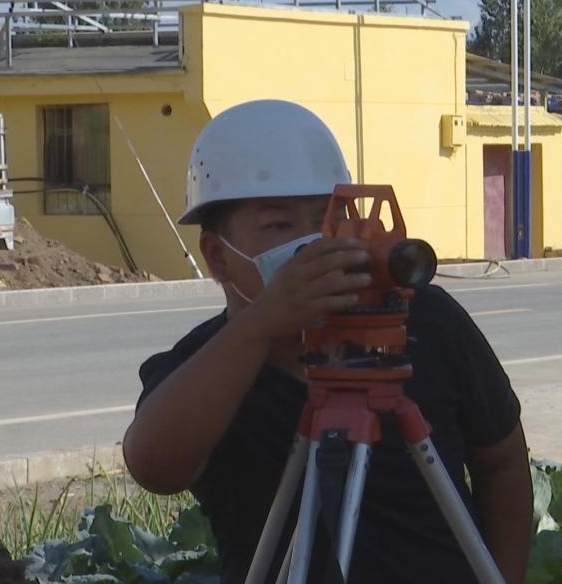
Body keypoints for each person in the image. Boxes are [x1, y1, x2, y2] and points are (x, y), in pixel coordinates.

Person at [122, 100, 533, 584]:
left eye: (326, 217)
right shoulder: (205, 366)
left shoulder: (429, 322)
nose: (314, 243)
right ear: (218, 256)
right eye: (279, 225)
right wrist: (266, 323)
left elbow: (502, 462)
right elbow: (154, 466)